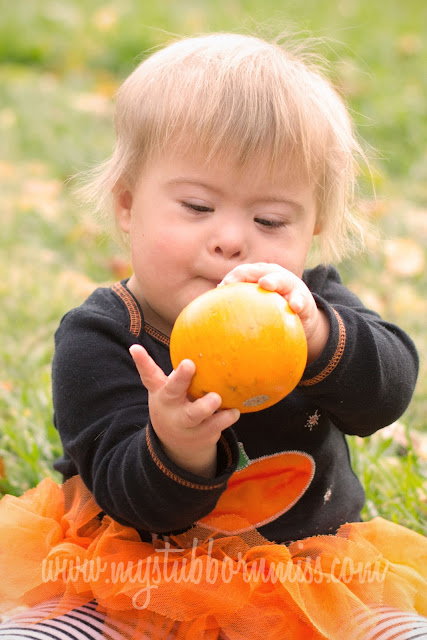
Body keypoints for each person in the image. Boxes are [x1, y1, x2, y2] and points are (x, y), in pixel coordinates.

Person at [0, 32, 426, 640]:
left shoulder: (310, 307)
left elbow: (386, 395)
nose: (231, 240)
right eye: (198, 207)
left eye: (270, 220)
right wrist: (178, 444)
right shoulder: (105, 335)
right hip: (133, 576)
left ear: (312, 229)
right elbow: (128, 496)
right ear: (128, 206)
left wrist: (317, 336)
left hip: (306, 576)